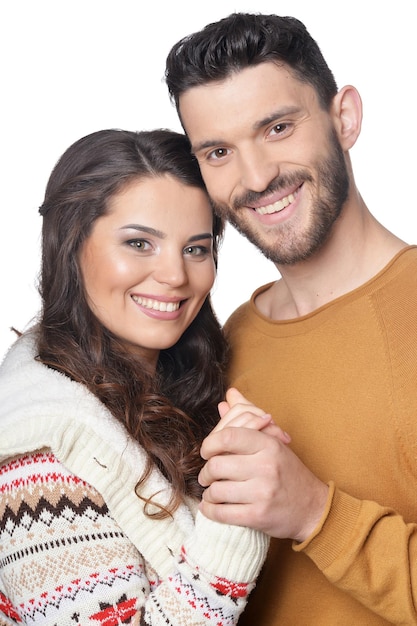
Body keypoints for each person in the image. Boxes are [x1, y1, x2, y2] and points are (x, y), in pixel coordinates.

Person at [165, 12, 417, 625]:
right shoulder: (226, 345)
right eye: (218, 151)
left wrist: (314, 514)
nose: (256, 178)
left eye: (278, 127)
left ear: (345, 117)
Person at [0, 128, 275, 625]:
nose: (174, 274)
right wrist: (231, 521)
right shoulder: (38, 459)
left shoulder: (188, 380)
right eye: (139, 243)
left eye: (196, 248)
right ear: (70, 245)